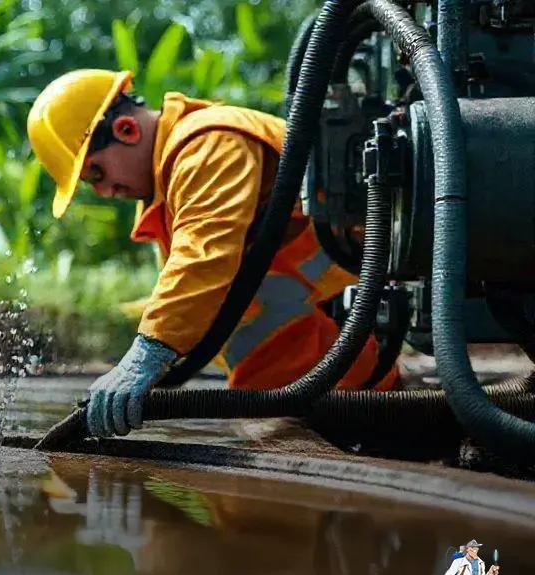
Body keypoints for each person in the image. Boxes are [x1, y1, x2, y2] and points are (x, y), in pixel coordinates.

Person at [26, 69, 400, 437]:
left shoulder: (208, 143)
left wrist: (147, 353)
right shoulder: (175, 183)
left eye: (96, 174)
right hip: (305, 390)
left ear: (127, 129)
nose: (105, 192)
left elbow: (204, 256)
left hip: (345, 372)